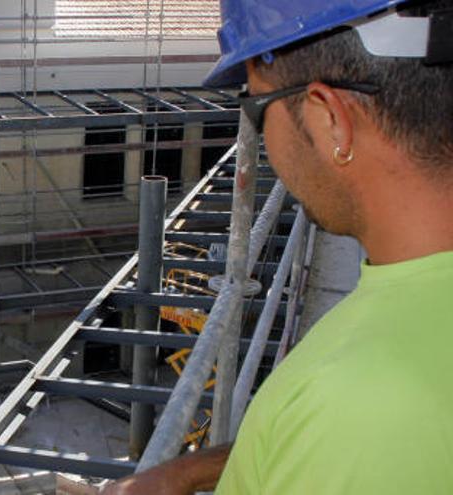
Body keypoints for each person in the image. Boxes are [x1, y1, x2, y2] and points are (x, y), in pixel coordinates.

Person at [105, 0, 453, 493]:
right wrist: (186, 471)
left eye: (256, 107)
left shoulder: (361, 401)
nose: (261, 138)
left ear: (330, 118)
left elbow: (346, 435)